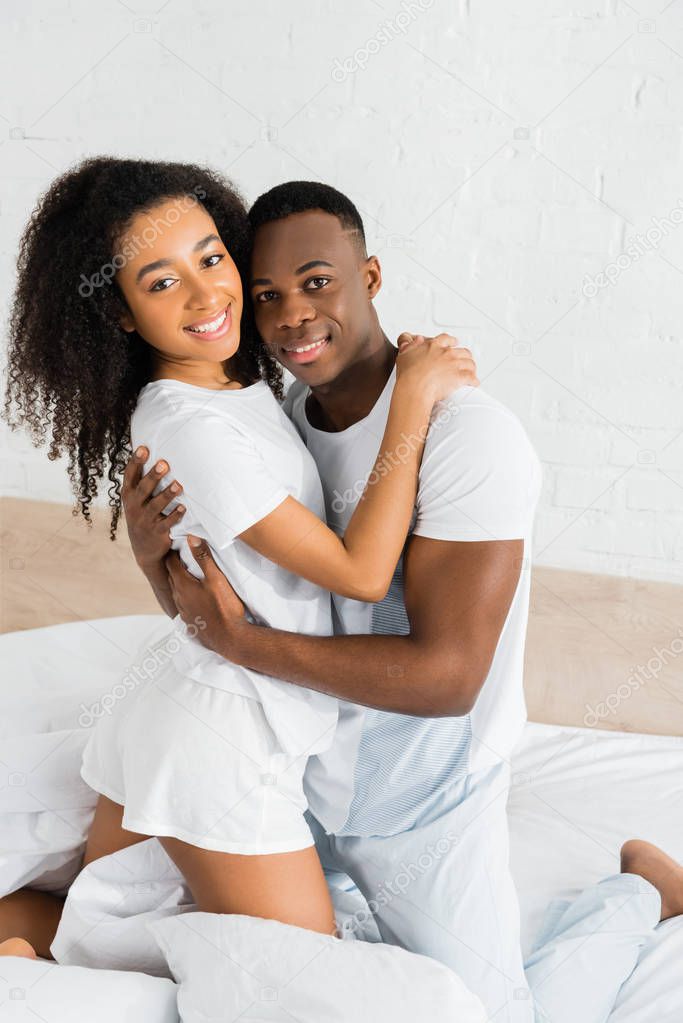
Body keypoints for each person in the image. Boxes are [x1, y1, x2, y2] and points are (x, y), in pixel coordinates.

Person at [123, 181, 683, 1023]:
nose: (291, 317)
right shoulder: (277, 422)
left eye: (318, 282)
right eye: (267, 293)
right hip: (300, 774)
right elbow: (231, 608)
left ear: (370, 274)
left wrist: (240, 647)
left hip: (425, 807)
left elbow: (446, 677)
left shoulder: (467, 435)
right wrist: (151, 558)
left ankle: (637, 891)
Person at [0, 159, 478, 959]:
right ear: (118, 312)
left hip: (186, 703)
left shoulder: (240, 391)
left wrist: (157, 563)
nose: (204, 294)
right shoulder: (190, 422)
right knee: (311, 977)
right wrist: (413, 399)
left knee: (94, 929)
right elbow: (358, 570)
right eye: (160, 282)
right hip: (217, 735)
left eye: (211, 258)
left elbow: (225, 591)